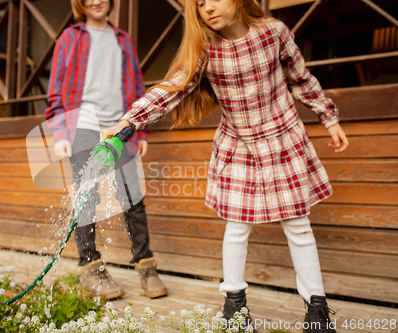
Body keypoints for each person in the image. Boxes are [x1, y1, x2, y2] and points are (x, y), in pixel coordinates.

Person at [101, 0, 349, 331]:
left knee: (298, 226)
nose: (207, 7)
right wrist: (129, 120)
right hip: (238, 144)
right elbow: (172, 87)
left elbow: (300, 77)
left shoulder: (274, 32)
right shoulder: (205, 48)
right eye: (199, 4)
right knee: (236, 226)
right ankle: (235, 308)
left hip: (282, 138)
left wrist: (328, 116)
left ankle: (317, 309)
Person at [45, 0, 168, 300]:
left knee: (132, 198)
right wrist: (61, 131)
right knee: (87, 198)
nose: (96, 1)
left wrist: (141, 129)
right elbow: (56, 89)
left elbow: (138, 88)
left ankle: (146, 266)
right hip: (82, 127)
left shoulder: (123, 40)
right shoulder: (70, 37)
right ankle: (91, 266)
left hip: (121, 129)